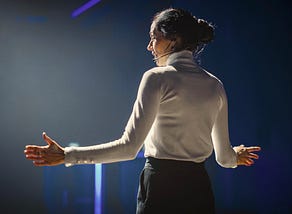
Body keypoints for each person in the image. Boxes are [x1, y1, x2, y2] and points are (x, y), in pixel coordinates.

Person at [25, 8, 261, 214]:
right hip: (199, 190)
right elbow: (224, 158)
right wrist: (235, 156)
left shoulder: (156, 78)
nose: (150, 46)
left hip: (160, 187)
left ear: (173, 40)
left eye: (153, 38)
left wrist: (68, 155)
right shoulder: (215, 85)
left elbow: (129, 148)